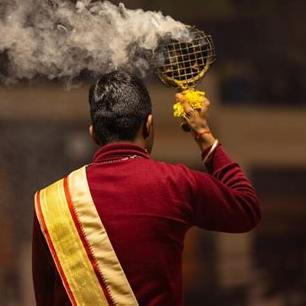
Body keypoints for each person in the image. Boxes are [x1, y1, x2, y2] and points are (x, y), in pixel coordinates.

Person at [32, 70, 262, 305]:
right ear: (148, 126)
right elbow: (247, 209)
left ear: (93, 134)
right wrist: (203, 133)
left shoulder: (51, 202)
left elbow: (45, 299)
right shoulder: (175, 183)